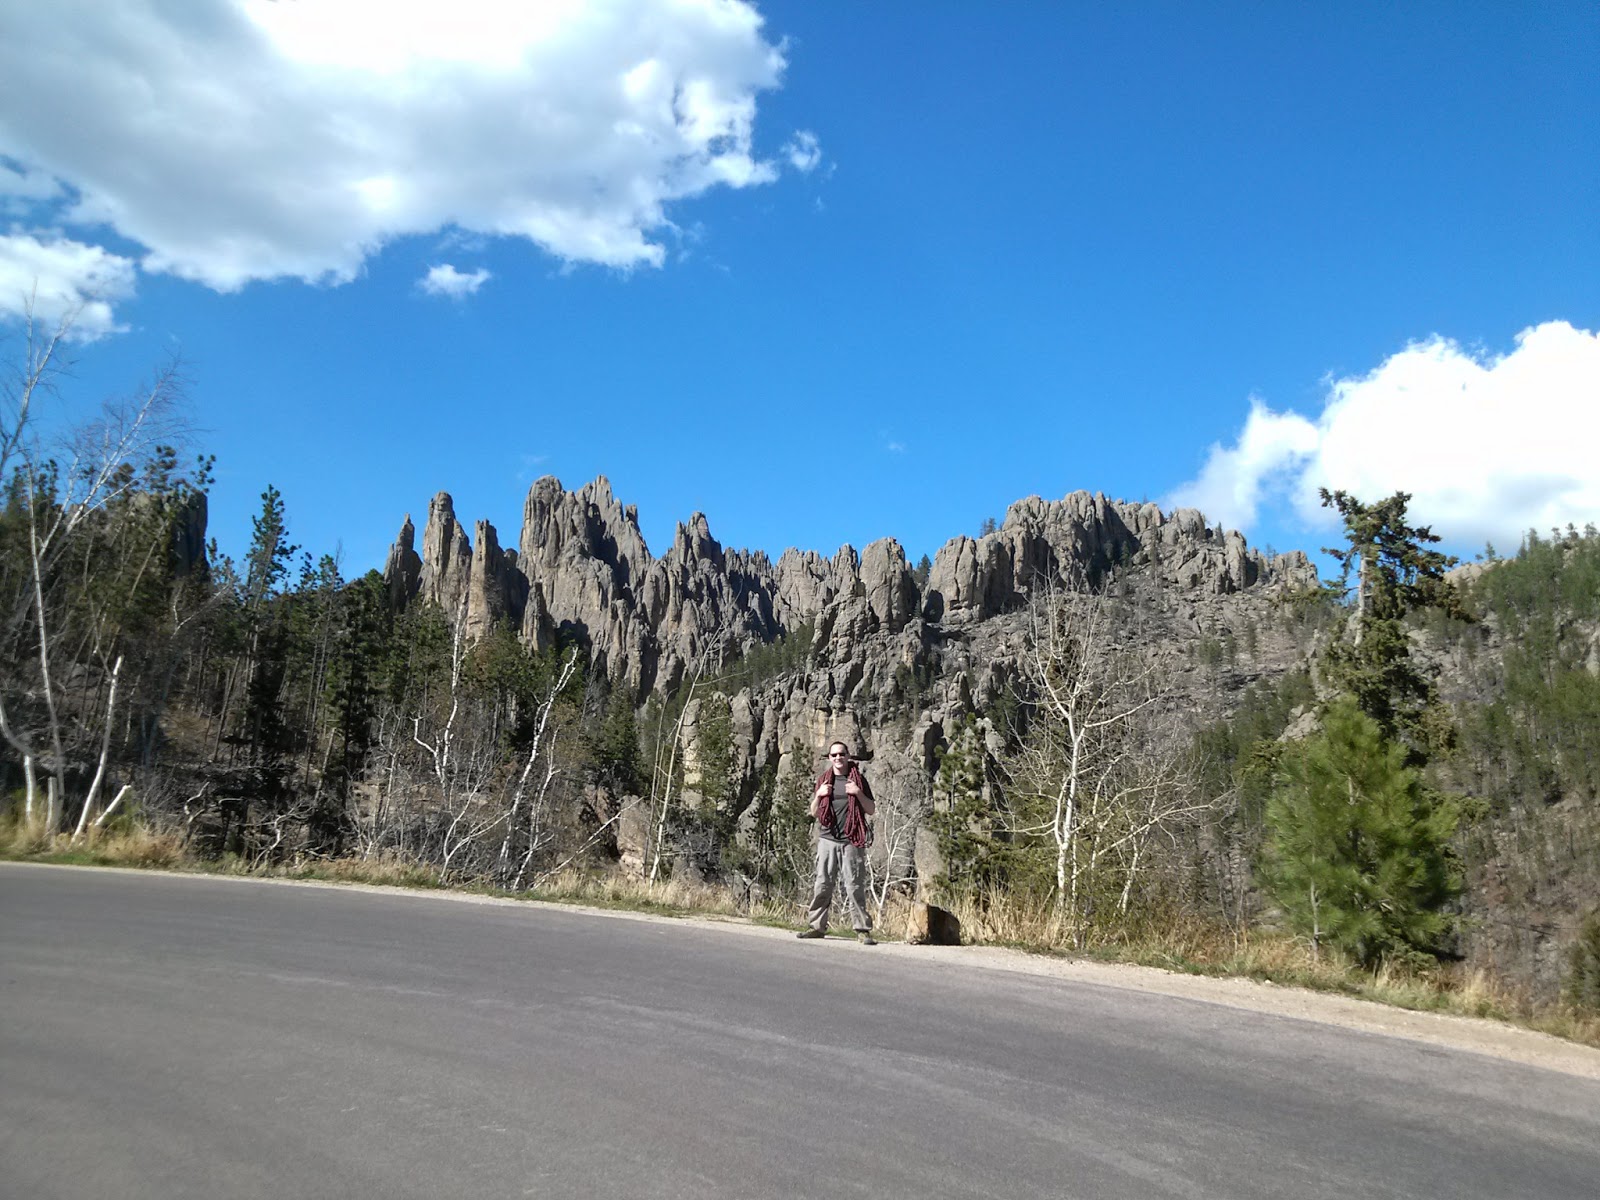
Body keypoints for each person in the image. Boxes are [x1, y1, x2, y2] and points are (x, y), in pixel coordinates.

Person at [797, 739, 877, 944]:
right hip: (827, 839)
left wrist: (857, 793)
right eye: (834, 755)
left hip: (852, 840)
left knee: (854, 886)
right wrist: (819, 795)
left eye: (841, 754)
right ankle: (816, 927)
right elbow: (814, 812)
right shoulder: (824, 780)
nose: (838, 758)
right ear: (829, 758)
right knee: (823, 884)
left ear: (848, 756)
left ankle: (862, 930)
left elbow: (871, 809)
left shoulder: (858, 780)